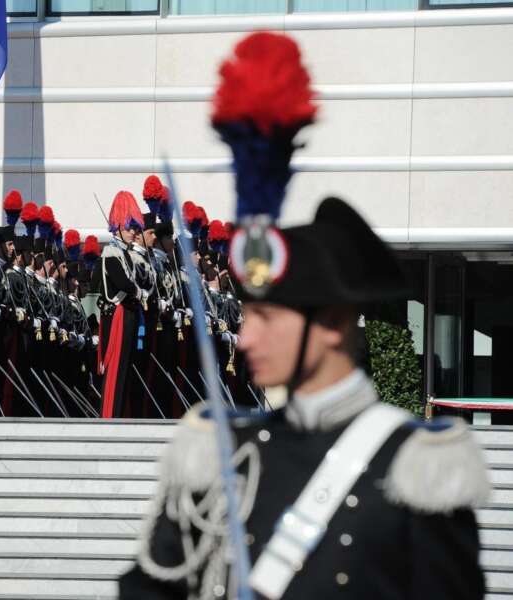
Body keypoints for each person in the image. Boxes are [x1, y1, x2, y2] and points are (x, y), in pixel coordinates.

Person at [119, 31, 488, 600]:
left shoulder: (416, 465)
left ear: (335, 321)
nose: (244, 337)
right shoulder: (218, 452)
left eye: (268, 317)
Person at [92, 190, 147, 419]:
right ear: (118, 226)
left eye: (135, 228)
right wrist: (137, 291)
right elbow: (124, 283)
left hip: (128, 314)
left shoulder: (125, 253)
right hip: (117, 315)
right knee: (114, 369)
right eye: (129, 227)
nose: (134, 232)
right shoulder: (111, 252)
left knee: (124, 369)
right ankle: (108, 417)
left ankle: (118, 415)